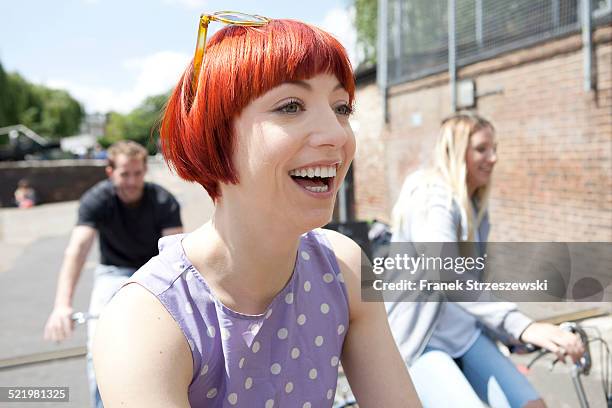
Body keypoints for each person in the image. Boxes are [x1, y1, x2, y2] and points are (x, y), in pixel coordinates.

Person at [92, 13, 421, 408]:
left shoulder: (344, 268)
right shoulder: (147, 321)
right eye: (291, 106)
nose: (336, 134)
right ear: (215, 134)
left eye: (341, 108)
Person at [385, 113, 584, 408]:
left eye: (494, 149)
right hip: (422, 340)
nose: (493, 158)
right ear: (454, 151)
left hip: (465, 334)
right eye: (481, 149)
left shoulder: (474, 204)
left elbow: (474, 283)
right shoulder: (431, 196)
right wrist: (522, 326)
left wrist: (509, 336)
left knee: (532, 405)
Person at [43, 140, 183, 408]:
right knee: (100, 341)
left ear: (145, 171)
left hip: (154, 270)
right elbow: (78, 249)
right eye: (124, 174)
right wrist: (62, 305)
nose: (132, 181)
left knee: (171, 337)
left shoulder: (163, 200)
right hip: (113, 271)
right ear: (110, 172)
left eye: (137, 174)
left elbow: (174, 258)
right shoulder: (97, 199)